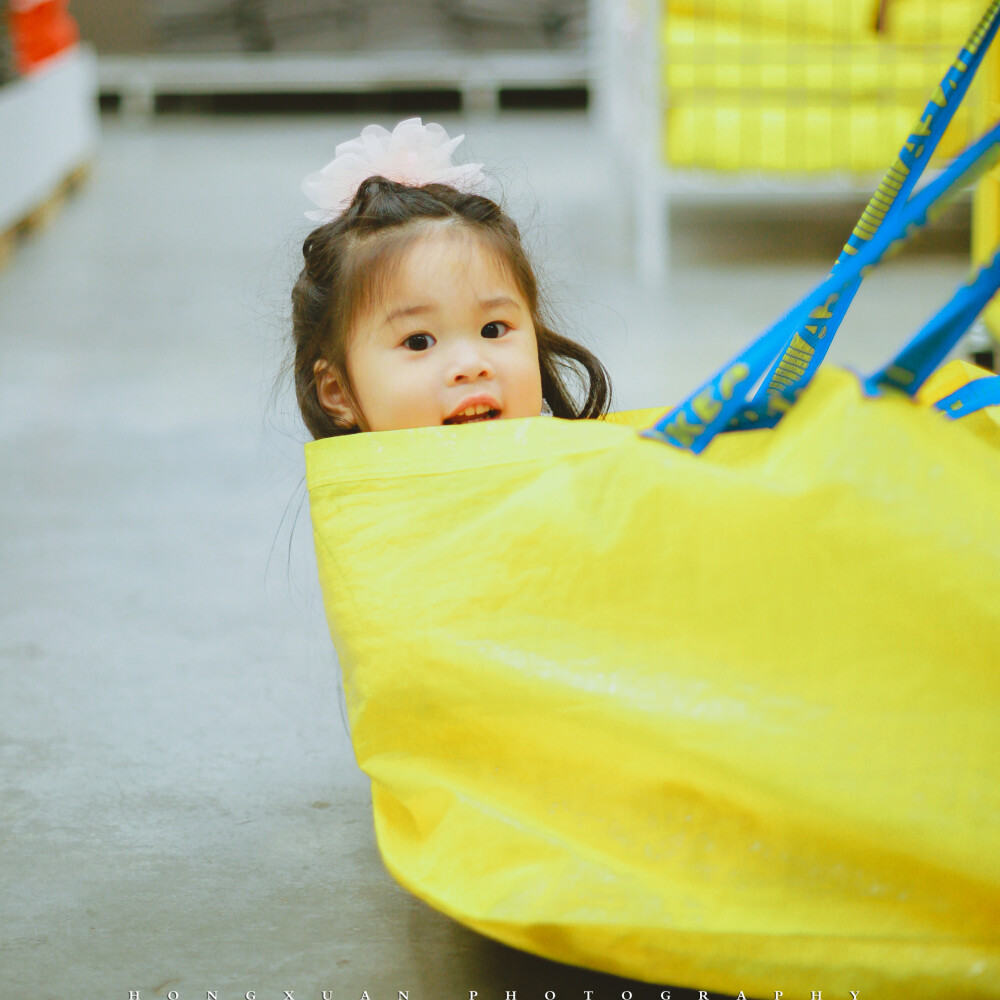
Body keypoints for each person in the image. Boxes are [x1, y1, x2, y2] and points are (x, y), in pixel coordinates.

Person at [290, 118, 611, 438]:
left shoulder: (594, 480)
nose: (471, 366)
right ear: (338, 393)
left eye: (493, 330)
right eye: (419, 342)